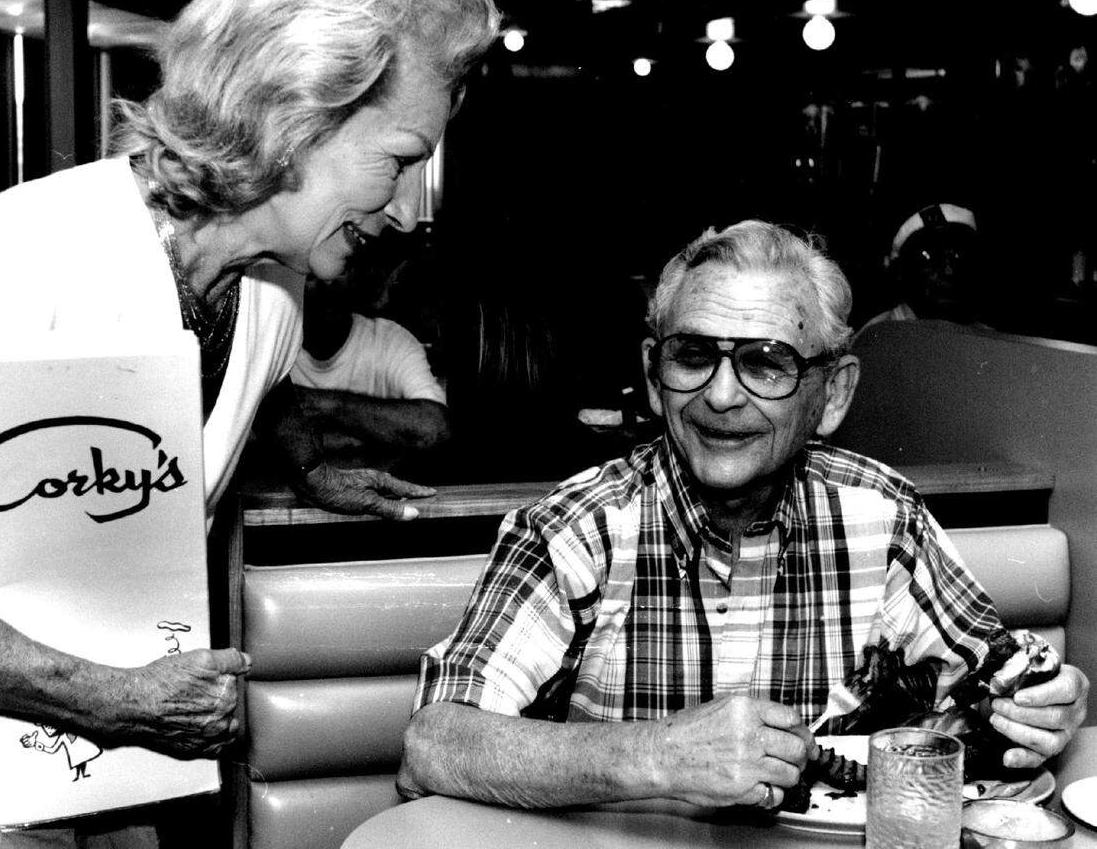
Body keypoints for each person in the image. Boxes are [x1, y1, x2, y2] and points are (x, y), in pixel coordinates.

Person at [0, 0, 498, 846]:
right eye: (400, 160)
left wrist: (298, 456)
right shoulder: (27, 251)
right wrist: (103, 697)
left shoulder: (274, 298)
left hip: (103, 778)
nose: (408, 211)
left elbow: (159, 432)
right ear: (295, 115)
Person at [398, 220, 1088, 812]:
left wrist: (1042, 707)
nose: (721, 396)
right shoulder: (575, 529)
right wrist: (657, 755)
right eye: (693, 355)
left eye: (766, 363)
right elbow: (432, 747)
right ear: (651, 373)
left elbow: (1000, 686)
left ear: (834, 393)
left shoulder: (883, 516)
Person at [288, 274, 450, 469]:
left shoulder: (390, 341)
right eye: (312, 276)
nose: (327, 285)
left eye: (339, 273)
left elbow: (433, 429)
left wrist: (322, 405)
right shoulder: (269, 344)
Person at [858, 202, 988, 331]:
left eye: (958, 256)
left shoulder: (987, 340)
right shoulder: (878, 337)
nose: (949, 271)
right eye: (929, 257)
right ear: (901, 271)